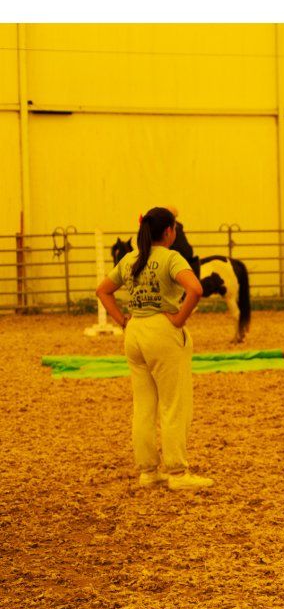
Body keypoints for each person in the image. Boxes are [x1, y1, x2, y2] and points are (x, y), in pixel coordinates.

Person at [95, 206, 213, 491]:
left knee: (144, 406)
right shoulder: (171, 258)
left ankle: (148, 471)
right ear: (169, 231)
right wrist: (180, 319)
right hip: (162, 331)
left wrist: (122, 320)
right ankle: (178, 472)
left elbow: (103, 290)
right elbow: (196, 289)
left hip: (135, 331)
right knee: (174, 404)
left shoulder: (130, 259)